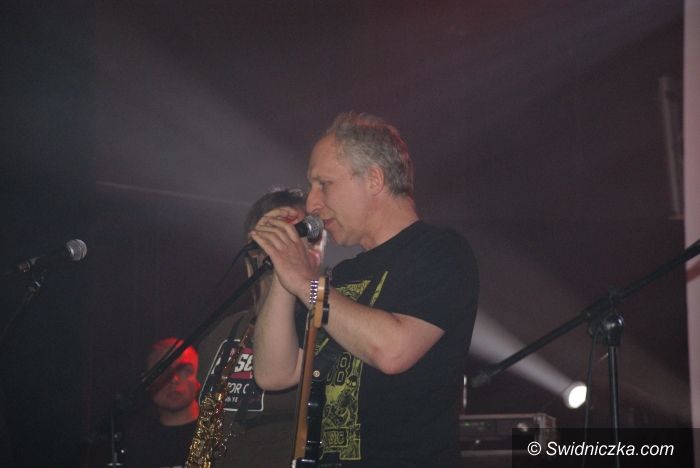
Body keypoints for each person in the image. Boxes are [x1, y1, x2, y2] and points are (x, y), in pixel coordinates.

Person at [251, 112, 480, 467]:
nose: (311, 203)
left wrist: (305, 281)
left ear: (374, 179)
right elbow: (273, 374)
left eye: (324, 183)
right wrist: (286, 269)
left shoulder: (440, 251)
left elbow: (393, 352)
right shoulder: (342, 276)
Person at [195, 187, 324, 467]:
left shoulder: (323, 325)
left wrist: (294, 272)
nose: (281, 243)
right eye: (272, 233)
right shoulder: (222, 330)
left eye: (293, 232)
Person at [122, 337, 201, 467]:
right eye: (163, 371)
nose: (174, 379)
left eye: (183, 370)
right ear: (146, 381)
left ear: (199, 376)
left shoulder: (219, 434)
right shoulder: (135, 444)